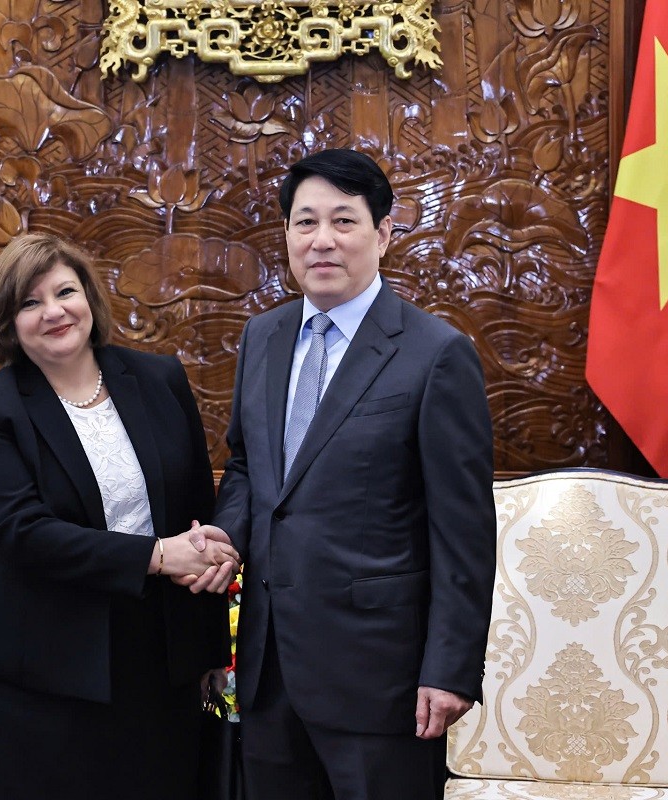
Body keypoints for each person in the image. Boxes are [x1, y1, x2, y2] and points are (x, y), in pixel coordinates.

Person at [193, 148, 496, 799]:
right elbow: (247, 466)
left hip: (380, 677)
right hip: (269, 667)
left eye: (343, 221)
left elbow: (463, 530)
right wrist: (228, 535)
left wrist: (450, 668)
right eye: (306, 222)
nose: (322, 240)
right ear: (286, 234)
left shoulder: (436, 354)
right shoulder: (262, 337)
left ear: (382, 233)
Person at [0, 233, 239, 800]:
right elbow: (20, 534)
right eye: (30, 302)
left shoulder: (159, 378)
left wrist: (210, 650)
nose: (54, 311)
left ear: (89, 297)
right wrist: (156, 556)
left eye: (65, 291)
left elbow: (195, 516)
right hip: (46, 670)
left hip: (161, 661)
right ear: (9, 322)